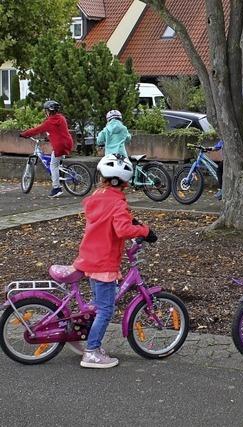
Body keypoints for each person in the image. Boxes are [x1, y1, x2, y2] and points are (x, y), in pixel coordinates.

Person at [73, 154, 157, 368]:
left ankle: (89, 341)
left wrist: (130, 218)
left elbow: (108, 218)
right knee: (105, 310)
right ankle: (91, 352)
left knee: (96, 305)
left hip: (90, 258)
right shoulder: (118, 203)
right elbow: (122, 229)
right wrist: (144, 231)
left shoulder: (98, 195)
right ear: (124, 182)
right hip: (104, 262)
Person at [20, 100, 74, 198]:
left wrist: (24, 134)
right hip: (68, 143)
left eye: (45, 110)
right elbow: (58, 131)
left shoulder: (49, 122)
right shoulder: (61, 118)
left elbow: (36, 130)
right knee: (57, 162)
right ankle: (60, 175)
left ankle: (57, 188)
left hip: (59, 145)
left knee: (53, 165)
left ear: (48, 111)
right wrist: (49, 137)